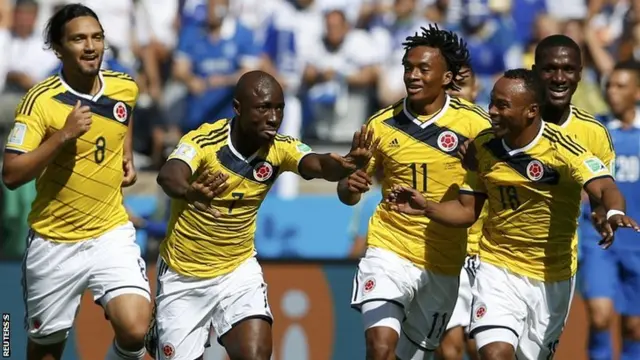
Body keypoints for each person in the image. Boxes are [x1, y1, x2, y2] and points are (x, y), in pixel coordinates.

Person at [387, 68, 640, 360]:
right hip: (497, 268)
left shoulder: (565, 150)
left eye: (502, 105)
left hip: (550, 275)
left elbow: (606, 186)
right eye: (492, 102)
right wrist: (426, 207)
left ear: (531, 111)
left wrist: (615, 211)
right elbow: (468, 211)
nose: (491, 111)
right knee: (494, 353)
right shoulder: (483, 146)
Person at [146, 70, 376, 360]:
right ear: (238, 108)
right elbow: (169, 176)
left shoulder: (280, 148)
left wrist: (343, 166)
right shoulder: (204, 142)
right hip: (184, 275)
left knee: (256, 354)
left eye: (279, 107)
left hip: (237, 271)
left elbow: (316, 164)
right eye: (263, 107)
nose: (273, 117)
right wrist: (190, 192)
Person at [1, 4, 151, 360]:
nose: (90, 46)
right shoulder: (40, 101)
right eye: (79, 39)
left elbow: (123, 115)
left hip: (109, 232)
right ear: (58, 48)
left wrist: (125, 153)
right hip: (55, 243)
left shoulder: (124, 86)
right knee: (46, 351)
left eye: (97, 37)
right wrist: (62, 136)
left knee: (136, 329)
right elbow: (11, 174)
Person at [337, 24, 492, 360]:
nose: (413, 75)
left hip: (443, 262)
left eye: (424, 68)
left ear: (447, 77)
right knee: (379, 349)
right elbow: (349, 191)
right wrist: (349, 184)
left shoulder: (476, 127)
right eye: (408, 67)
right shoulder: (380, 125)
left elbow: (478, 202)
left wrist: (478, 171)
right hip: (389, 249)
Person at [580, 61, 640, 360]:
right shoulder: (594, 131)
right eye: (609, 85)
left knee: (634, 328)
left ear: (637, 91)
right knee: (600, 316)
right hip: (599, 241)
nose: (612, 92)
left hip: (638, 242)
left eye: (620, 86)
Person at [532, 35, 615, 222]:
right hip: (494, 248)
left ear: (579, 74)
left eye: (568, 69)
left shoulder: (594, 132)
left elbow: (603, 193)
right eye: (549, 69)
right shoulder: (509, 123)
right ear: (535, 72)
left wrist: (603, 215)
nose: (559, 78)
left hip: (561, 248)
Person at [439, 64, 481, 360]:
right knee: (448, 348)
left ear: (475, 91)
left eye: (461, 86)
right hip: (448, 254)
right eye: (449, 87)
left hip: (488, 256)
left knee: (481, 347)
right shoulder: (431, 136)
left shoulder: (493, 135)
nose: (455, 94)